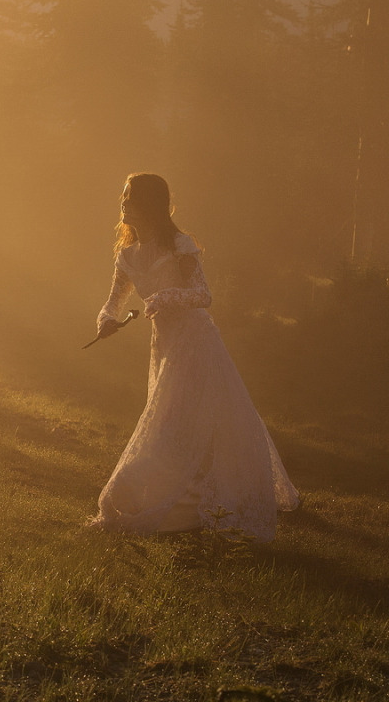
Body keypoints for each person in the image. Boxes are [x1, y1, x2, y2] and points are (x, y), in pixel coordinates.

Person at [90, 173, 299, 541]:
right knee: (174, 418)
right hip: (165, 347)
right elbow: (113, 302)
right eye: (123, 197)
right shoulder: (127, 256)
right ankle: (185, 494)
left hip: (197, 342)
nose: (122, 203)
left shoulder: (180, 247)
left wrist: (166, 297)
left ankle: (193, 499)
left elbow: (203, 295)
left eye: (130, 197)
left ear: (150, 204)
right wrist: (106, 319)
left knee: (177, 419)